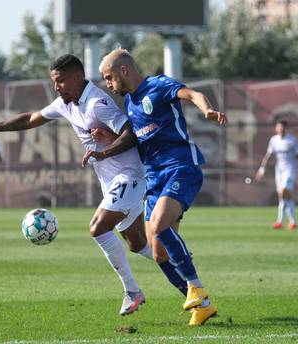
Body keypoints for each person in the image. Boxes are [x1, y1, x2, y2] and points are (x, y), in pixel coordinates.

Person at [0, 54, 153, 315]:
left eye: (61, 80)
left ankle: (132, 291)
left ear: (78, 77)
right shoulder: (67, 104)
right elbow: (30, 119)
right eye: (54, 81)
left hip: (130, 175)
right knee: (138, 244)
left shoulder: (97, 103)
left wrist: (103, 151)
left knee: (98, 228)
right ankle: (185, 273)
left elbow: (131, 132)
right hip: (111, 181)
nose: (56, 87)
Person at [92, 48, 227, 326]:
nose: (108, 84)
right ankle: (201, 306)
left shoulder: (159, 85)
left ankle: (196, 288)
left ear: (124, 71)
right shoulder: (129, 102)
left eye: (109, 77)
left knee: (158, 225)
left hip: (181, 166)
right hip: (154, 178)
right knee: (158, 253)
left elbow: (192, 94)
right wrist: (107, 138)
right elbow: (137, 138)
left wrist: (207, 109)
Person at [255, 120, 298, 230]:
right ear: (276, 128)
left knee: (283, 193)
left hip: (290, 170)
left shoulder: (292, 140)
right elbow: (268, 155)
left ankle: (280, 221)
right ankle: (292, 222)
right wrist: (261, 169)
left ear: (286, 128)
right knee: (284, 197)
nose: (280, 129)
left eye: (282, 127)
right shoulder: (273, 140)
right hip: (279, 171)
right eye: (278, 127)